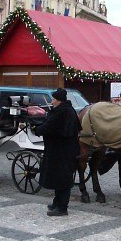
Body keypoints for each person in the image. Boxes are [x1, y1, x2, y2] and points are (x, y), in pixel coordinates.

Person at [33, 88, 82, 216]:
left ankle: (62, 207)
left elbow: (50, 127)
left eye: (54, 99)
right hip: (63, 149)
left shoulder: (61, 112)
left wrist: (36, 130)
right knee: (58, 177)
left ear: (59, 100)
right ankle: (57, 202)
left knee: (63, 179)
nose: (52, 101)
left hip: (62, 151)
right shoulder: (68, 109)